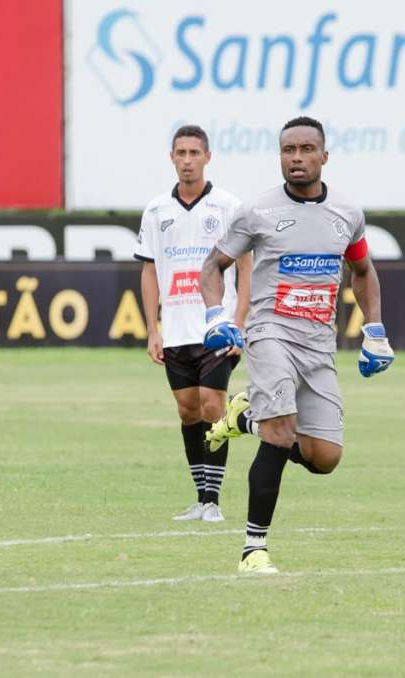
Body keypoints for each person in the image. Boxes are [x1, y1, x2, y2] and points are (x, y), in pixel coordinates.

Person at [199, 116, 395, 574]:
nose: (297, 158)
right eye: (289, 150)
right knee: (282, 431)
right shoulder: (257, 212)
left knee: (325, 458)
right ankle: (253, 549)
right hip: (270, 334)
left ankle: (245, 418)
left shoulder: (347, 213)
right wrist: (216, 316)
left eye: (307, 149)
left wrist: (376, 330)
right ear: (280, 156)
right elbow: (214, 266)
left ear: (324, 157)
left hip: (318, 345)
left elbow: (363, 272)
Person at [134, 125, 252, 523]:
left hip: (216, 326)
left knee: (212, 403)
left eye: (194, 153)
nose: (187, 160)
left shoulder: (229, 207)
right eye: (180, 153)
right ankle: (200, 499)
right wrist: (153, 328)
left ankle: (214, 501)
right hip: (177, 328)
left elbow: (247, 267)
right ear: (171, 158)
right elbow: (150, 271)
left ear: (207, 157)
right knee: (187, 410)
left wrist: (239, 323)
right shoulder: (156, 211)